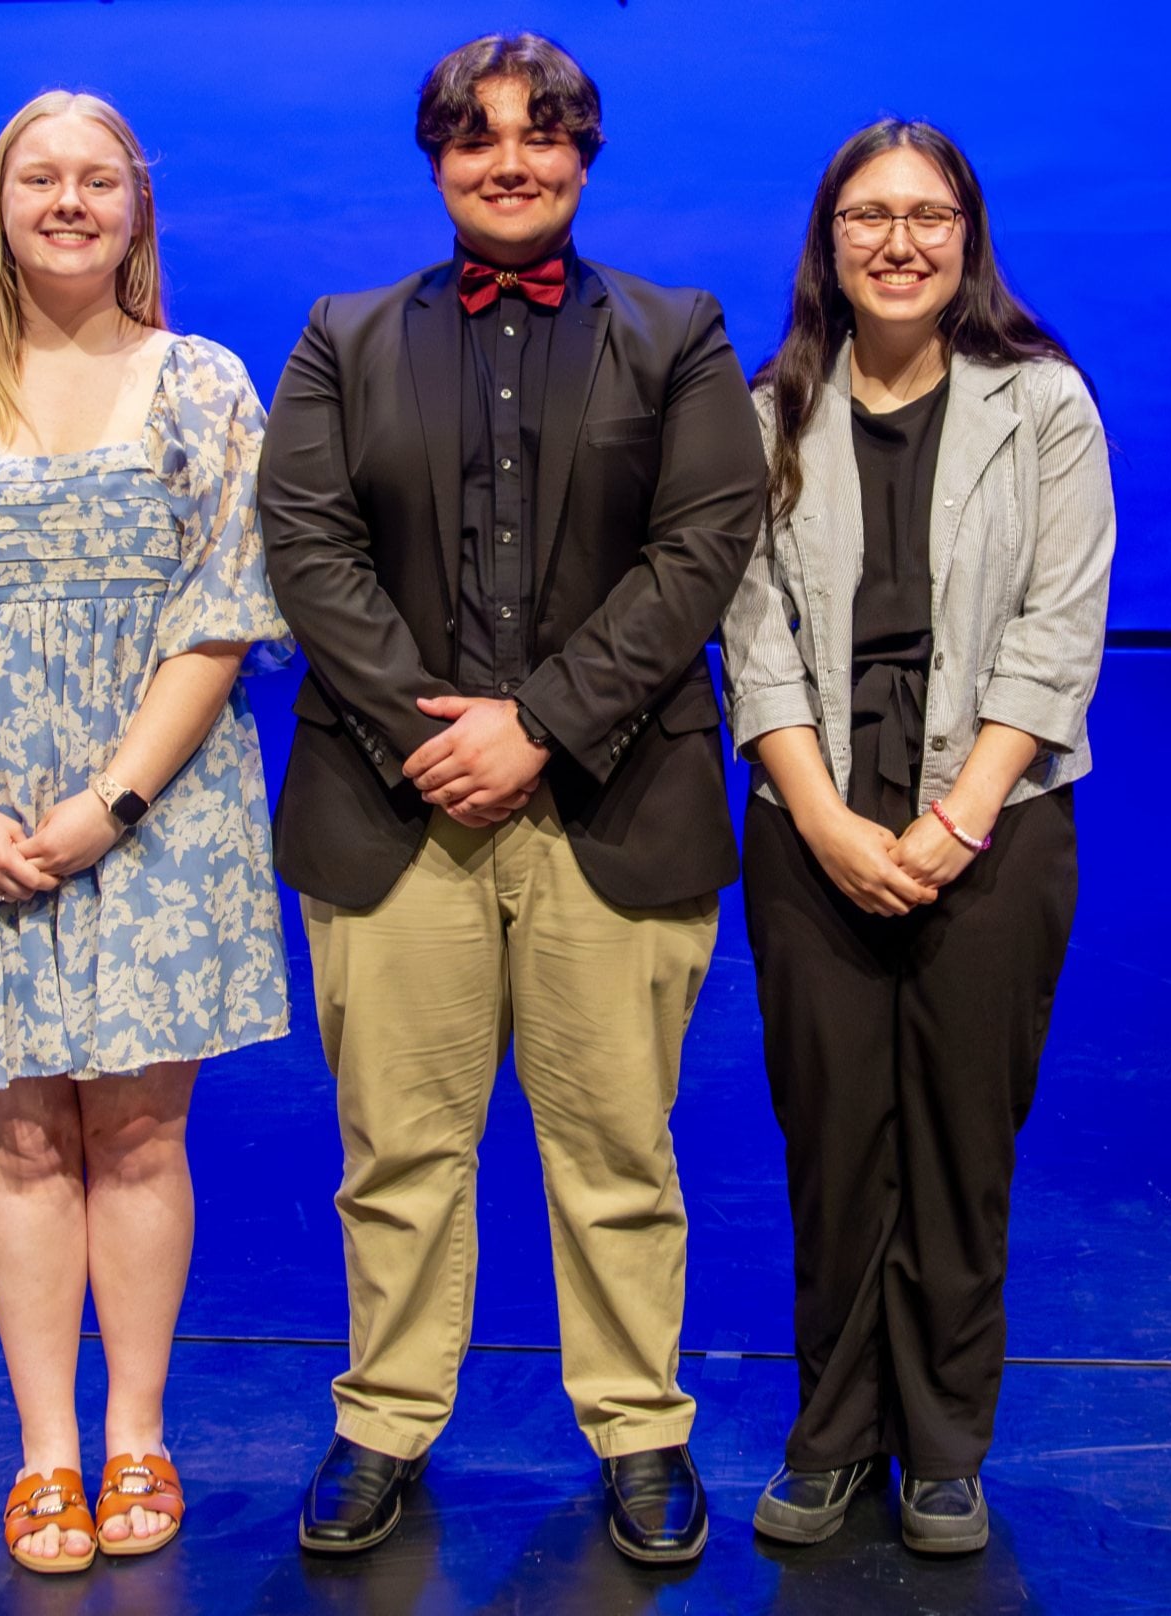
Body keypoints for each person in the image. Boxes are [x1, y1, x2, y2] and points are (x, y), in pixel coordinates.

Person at [260, 33, 765, 1564]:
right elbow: (307, 544)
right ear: (435, 160)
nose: (508, 161)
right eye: (474, 138)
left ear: (582, 155)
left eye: (540, 137)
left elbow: (700, 547)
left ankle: (637, 1428)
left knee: (617, 1145)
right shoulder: (341, 337)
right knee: (398, 1148)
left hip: (613, 810)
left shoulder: (678, 334)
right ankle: (383, 1418)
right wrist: (444, 734)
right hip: (394, 803)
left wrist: (536, 725)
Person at [0, 90, 289, 1575]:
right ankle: (45, 1458)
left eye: (100, 180)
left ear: (138, 206)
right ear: (1, 203)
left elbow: (223, 614)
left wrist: (112, 805)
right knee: (23, 1140)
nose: (71, 202)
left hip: (155, 815)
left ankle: (140, 1433)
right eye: (43, 179)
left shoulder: (204, 384)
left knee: (141, 1134)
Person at [721, 119, 1114, 1554]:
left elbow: (1056, 629)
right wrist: (822, 818)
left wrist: (953, 820)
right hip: (808, 813)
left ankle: (943, 1445)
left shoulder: (1043, 404)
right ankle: (830, 1434)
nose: (898, 241)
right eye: (866, 217)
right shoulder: (766, 412)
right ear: (827, 244)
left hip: (994, 818)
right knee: (830, 1141)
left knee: (959, 1143)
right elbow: (749, 639)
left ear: (968, 235)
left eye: (927, 215)